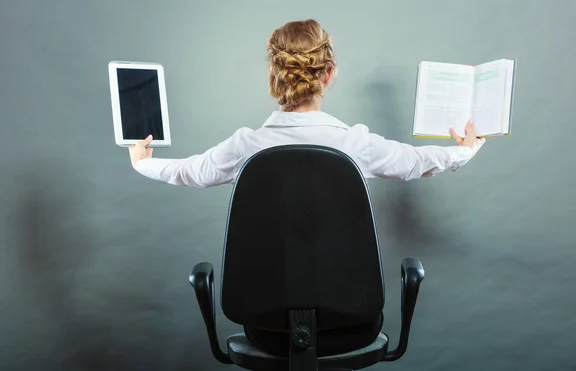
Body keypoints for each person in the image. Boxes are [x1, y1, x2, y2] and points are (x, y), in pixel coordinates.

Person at [126, 19, 485, 356]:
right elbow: (418, 162)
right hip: (353, 320)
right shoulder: (355, 144)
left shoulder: (246, 145)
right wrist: (464, 151)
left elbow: (191, 171)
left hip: (265, 327)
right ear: (328, 76)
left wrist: (143, 163)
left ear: (273, 77)